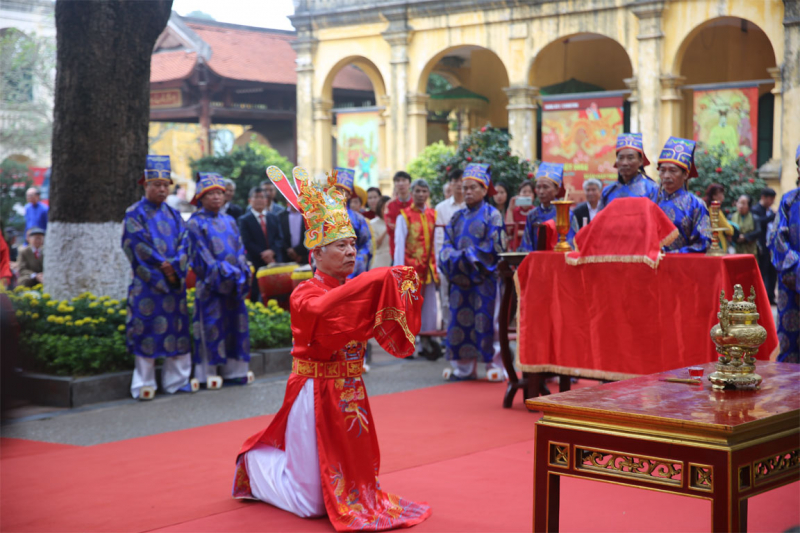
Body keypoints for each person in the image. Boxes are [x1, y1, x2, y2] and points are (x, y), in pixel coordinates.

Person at [234, 165, 431, 530]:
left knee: (354, 483)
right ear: (317, 253)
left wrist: (392, 289)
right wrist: (378, 276)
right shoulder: (305, 292)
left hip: (351, 390)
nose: (350, 251)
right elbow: (327, 310)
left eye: (353, 244)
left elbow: (376, 322)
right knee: (310, 502)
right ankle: (255, 464)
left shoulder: (350, 289)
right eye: (340, 245)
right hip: (314, 392)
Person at [121, 155, 194, 400]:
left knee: (178, 332)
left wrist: (174, 266)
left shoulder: (174, 214)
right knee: (146, 332)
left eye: (166, 185)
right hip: (147, 285)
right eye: (157, 185)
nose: (162, 189)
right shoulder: (134, 213)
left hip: (174, 286)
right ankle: (144, 383)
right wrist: (163, 265)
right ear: (146, 186)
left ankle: (177, 381)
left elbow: (185, 243)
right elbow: (136, 246)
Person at [439, 163, 507, 382]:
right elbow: (446, 245)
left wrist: (468, 256)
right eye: (464, 188)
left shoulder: (493, 215)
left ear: (485, 190)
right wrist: (455, 256)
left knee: (489, 322)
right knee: (458, 322)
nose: (467, 192)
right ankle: (463, 368)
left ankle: (494, 364)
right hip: (460, 280)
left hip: (483, 279)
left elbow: (494, 247)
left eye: (472, 188)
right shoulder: (456, 217)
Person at [187, 173, 252, 387]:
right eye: (211, 193)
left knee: (236, 325)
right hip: (210, 286)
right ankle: (208, 373)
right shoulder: (195, 223)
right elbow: (200, 256)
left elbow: (240, 249)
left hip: (234, 283)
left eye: (219, 193)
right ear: (200, 197)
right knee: (211, 325)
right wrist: (226, 273)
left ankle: (235, 371)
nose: (216, 197)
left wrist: (241, 270)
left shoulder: (230, 221)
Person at [394, 179, 439, 358]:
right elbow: (399, 245)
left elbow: (438, 242)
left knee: (430, 308)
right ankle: (408, 344)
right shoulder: (404, 216)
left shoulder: (434, 215)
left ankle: (427, 342)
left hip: (429, 268)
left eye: (424, 191)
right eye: (418, 191)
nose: (421, 195)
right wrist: (400, 272)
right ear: (412, 193)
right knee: (410, 308)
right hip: (411, 270)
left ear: (428, 194)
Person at [766, 145, 800, 363]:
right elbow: (776, 239)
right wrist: (797, 266)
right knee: (790, 349)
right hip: (792, 282)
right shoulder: (789, 201)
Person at [655, 137, 712, 254]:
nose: (666, 176)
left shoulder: (696, 204)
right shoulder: (651, 200)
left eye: (672, 170)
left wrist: (674, 254)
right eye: (662, 170)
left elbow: (703, 243)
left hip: (682, 267)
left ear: (685, 174)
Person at [518, 163, 578, 252]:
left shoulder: (566, 214)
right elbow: (527, 244)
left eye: (546, 187)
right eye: (538, 187)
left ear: (557, 190)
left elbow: (572, 243)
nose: (541, 191)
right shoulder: (532, 215)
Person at [239, 186, 284, 301]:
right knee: (256, 293)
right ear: (250, 200)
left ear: (266, 200)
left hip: (275, 261)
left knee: (277, 293)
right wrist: (263, 254)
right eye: (256, 197)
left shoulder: (274, 217)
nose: (259, 200)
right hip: (255, 261)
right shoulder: (244, 219)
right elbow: (246, 241)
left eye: (262, 197)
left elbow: (279, 238)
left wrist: (272, 252)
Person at [435, 169, 466, 330]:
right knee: (445, 298)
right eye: (456, 181)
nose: (460, 184)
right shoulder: (441, 208)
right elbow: (438, 238)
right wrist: (438, 263)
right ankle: (447, 331)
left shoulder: (471, 206)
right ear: (451, 185)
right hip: (447, 260)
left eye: (463, 180)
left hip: (467, 260)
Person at [601, 133, 659, 207]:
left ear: (640, 161)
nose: (624, 163)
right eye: (621, 158)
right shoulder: (608, 191)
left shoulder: (652, 189)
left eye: (630, 158)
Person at [334, 167, 372, 278]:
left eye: (343, 191)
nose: (338, 194)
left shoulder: (358, 218)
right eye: (336, 190)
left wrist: (357, 261)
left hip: (354, 265)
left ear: (349, 195)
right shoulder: (324, 217)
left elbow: (366, 243)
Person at [752, 187, 777, 304]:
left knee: (773, 272)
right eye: (770, 199)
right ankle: (763, 298)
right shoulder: (756, 210)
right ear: (763, 197)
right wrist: (770, 217)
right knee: (763, 272)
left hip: (772, 246)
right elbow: (759, 223)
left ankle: (771, 297)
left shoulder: (770, 210)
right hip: (761, 246)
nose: (772, 202)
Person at [385, 170, 413, 258]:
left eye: (404, 180)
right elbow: (391, 229)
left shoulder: (416, 203)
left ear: (409, 184)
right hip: (396, 251)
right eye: (397, 181)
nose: (401, 183)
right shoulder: (389, 205)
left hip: (416, 252)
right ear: (395, 185)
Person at [703, 183, 735, 251]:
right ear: (714, 196)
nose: (723, 196)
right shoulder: (715, 209)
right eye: (721, 194)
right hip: (717, 241)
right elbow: (728, 229)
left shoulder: (707, 208)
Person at [505, 180, 535, 249]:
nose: (527, 194)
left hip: (531, 248)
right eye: (524, 192)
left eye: (530, 192)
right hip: (515, 248)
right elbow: (509, 231)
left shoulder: (535, 212)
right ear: (519, 195)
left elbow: (535, 232)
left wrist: (517, 233)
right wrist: (510, 209)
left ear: (533, 196)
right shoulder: (513, 210)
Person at [370, 195, 392, 268]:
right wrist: (387, 228)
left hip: (393, 260)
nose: (387, 211)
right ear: (379, 209)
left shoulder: (397, 222)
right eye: (384, 208)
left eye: (389, 208)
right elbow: (375, 244)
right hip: (379, 262)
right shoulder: (372, 223)